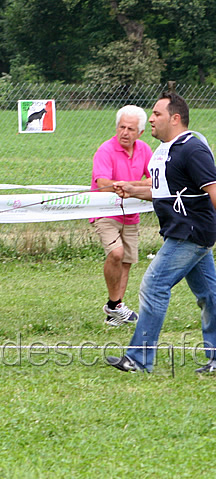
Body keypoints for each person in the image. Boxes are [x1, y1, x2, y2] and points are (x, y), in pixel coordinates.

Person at [108, 91, 216, 373]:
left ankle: (138, 359)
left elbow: (213, 190)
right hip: (183, 233)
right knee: (209, 296)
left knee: (154, 285)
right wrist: (132, 189)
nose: (151, 119)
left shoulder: (193, 149)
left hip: (190, 234)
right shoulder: (165, 151)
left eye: (157, 114)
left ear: (175, 118)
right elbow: (162, 192)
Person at [90, 105, 152, 326]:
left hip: (131, 214)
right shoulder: (105, 150)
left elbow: (154, 180)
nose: (125, 132)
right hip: (105, 212)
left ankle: (115, 310)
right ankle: (114, 306)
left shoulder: (145, 150)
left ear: (140, 133)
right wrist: (138, 185)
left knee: (126, 261)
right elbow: (104, 184)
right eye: (122, 127)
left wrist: (128, 186)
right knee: (116, 253)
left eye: (131, 129)